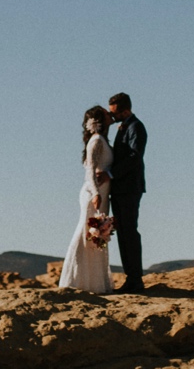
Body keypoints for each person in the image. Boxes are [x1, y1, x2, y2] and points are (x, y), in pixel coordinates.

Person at [57, 105, 114, 293]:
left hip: (103, 192)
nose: (110, 115)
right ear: (99, 120)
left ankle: (95, 283)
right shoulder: (96, 140)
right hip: (93, 193)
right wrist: (96, 192)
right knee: (87, 232)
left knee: (98, 236)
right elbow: (89, 169)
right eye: (106, 114)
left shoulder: (102, 140)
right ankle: (74, 280)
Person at [106, 92, 147, 292]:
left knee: (129, 232)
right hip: (120, 189)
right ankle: (131, 277)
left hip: (130, 188)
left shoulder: (136, 127)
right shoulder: (123, 128)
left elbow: (134, 157)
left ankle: (136, 279)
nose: (112, 118)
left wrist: (110, 175)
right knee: (123, 232)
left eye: (115, 114)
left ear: (126, 110)